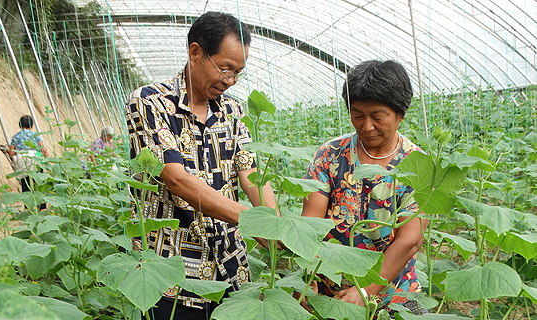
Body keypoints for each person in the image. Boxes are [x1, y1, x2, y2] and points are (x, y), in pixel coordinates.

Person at [125, 12, 277, 320]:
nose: (230, 81)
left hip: (231, 271)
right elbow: (176, 179)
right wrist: (253, 221)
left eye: (238, 72)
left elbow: (251, 175)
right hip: (173, 279)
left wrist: (273, 223)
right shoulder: (150, 102)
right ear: (195, 52)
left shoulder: (234, 111)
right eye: (224, 69)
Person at [302, 60, 429, 316]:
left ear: (400, 113)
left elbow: (410, 239)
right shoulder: (329, 155)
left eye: (378, 116)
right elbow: (310, 225)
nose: (366, 126)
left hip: (393, 294)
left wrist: (366, 290)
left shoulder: (417, 165)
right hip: (332, 294)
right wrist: (308, 278)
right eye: (358, 115)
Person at [9, 115, 48, 210]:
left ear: (20, 124)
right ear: (31, 124)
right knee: (39, 184)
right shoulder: (35, 135)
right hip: (36, 159)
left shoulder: (16, 137)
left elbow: (11, 153)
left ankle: (28, 208)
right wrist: (47, 160)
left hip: (23, 161)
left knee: (25, 185)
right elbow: (44, 149)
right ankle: (42, 207)